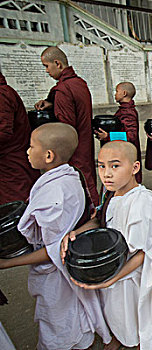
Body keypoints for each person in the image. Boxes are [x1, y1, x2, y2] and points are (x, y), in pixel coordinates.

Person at [0, 123, 111, 349]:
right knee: (71, 317)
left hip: (57, 275)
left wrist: (8, 263)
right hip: (60, 270)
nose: (27, 152)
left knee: (59, 324)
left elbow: (54, 250)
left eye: (31, 147)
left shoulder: (56, 194)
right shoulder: (69, 175)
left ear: (49, 155)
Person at [63, 141, 152, 350]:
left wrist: (111, 280)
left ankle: (136, 343)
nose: (106, 174)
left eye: (115, 166)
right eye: (101, 166)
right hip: (111, 270)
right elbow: (100, 221)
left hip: (130, 277)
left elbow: (143, 253)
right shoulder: (112, 192)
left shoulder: (141, 202)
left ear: (135, 168)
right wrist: (75, 233)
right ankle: (119, 336)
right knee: (115, 312)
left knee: (133, 315)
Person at [35, 46, 99, 205]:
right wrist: (52, 103)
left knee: (81, 182)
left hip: (73, 148)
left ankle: (94, 216)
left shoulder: (63, 89)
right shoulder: (79, 83)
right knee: (87, 178)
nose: (46, 71)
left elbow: (65, 127)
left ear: (57, 63)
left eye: (46, 66)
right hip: (85, 141)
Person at [0, 71, 40, 204]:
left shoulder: (2, 94)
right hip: (10, 162)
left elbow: (4, 132)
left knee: (16, 205)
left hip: (12, 162)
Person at [96, 81, 142, 183]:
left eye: (117, 91)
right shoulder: (124, 110)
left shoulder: (128, 112)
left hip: (125, 153)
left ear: (124, 93)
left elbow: (131, 135)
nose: (115, 94)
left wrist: (108, 136)